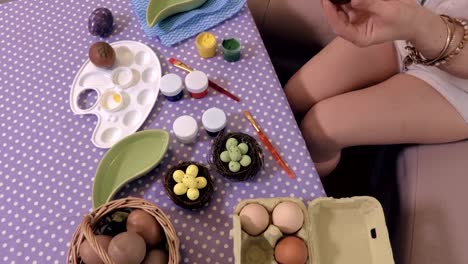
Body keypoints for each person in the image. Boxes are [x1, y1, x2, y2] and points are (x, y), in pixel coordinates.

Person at [284, 0, 468, 177]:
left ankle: (294, 193)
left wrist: (417, 25)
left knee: (319, 130)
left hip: (457, 84)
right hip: (417, 17)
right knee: (289, 100)